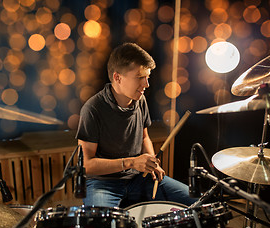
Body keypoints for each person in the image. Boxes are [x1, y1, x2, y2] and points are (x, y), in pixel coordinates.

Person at [76, 42, 195, 208]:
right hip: (103, 184)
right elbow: (86, 165)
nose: (146, 84)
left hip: (139, 178)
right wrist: (131, 162)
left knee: (195, 203)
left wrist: (152, 163)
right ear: (117, 77)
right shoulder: (92, 109)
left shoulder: (140, 100)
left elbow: (144, 136)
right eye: (140, 77)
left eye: (147, 77)